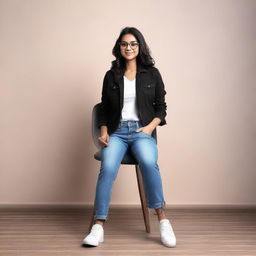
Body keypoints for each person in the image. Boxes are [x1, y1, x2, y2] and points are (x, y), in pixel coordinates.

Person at [82, 27, 176, 248]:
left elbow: (161, 109)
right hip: (117, 132)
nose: (129, 47)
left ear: (140, 46)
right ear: (119, 47)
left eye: (133, 43)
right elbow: (104, 108)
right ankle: (98, 226)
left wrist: (149, 128)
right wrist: (104, 132)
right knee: (108, 165)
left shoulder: (152, 74)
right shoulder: (111, 75)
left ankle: (163, 220)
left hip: (141, 132)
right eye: (124, 44)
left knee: (149, 162)